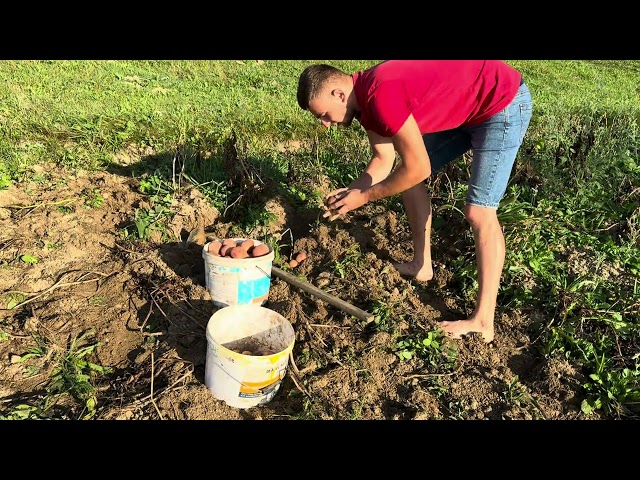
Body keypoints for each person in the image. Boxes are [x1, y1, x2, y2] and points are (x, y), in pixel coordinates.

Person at [296, 60, 533, 343]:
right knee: (407, 179)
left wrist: (366, 196)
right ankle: (422, 265)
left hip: (501, 101)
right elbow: (383, 160)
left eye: (323, 115)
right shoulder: (363, 104)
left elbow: (419, 167)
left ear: (338, 94)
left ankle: (483, 321)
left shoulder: (379, 96)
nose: (324, 124)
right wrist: (351, 193)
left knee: (479, 212)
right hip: (470, 109)